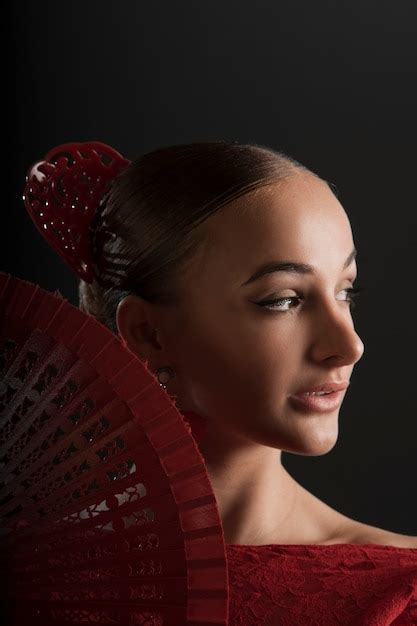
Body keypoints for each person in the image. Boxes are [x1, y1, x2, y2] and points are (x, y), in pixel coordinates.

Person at [24, 140, 417, 625]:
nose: (348, 344)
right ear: (148, 333)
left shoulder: (399, 592)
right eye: (283, 300)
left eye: (345, 291)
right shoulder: (33, 580)